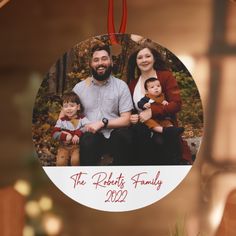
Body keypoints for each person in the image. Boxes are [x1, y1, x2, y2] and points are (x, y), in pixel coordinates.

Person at [127, 42, 192, 165]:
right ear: (135, 62)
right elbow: (132, 111)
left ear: (154, 58)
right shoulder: (132, 84)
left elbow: (176, 104)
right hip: (142, 133)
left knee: (163, 144)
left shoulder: (165, 76)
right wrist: (133, 117)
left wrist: (152, 111)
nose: (144, 60)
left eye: (147, 56)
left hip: (164, 127)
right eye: (140, 57)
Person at [73, 44, 134, 165]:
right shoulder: (80, 88)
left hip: (114, 134)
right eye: (96, 60)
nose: (100, 63)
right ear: (91, 64)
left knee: (124, 136)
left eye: (104, 58)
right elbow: (68, 115)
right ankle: (89, 180)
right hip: (90, 136)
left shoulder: (121, 86)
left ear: (111, 62)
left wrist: (102, 123)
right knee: (88, 139)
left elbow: (126, 119)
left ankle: (121, 179)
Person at [52, 92, 90, 166]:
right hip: (63, 147)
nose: (69, 109)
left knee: (75, 161)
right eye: (65, 106)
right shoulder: (61, 120)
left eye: (72, 106)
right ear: (62, 109)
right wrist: (64, 136)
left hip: (76, 147)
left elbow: (88, 127)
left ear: (78, 107)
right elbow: (54, 133)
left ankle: (76, 176)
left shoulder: (82, 119)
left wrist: (77, 134)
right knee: (60, 163)